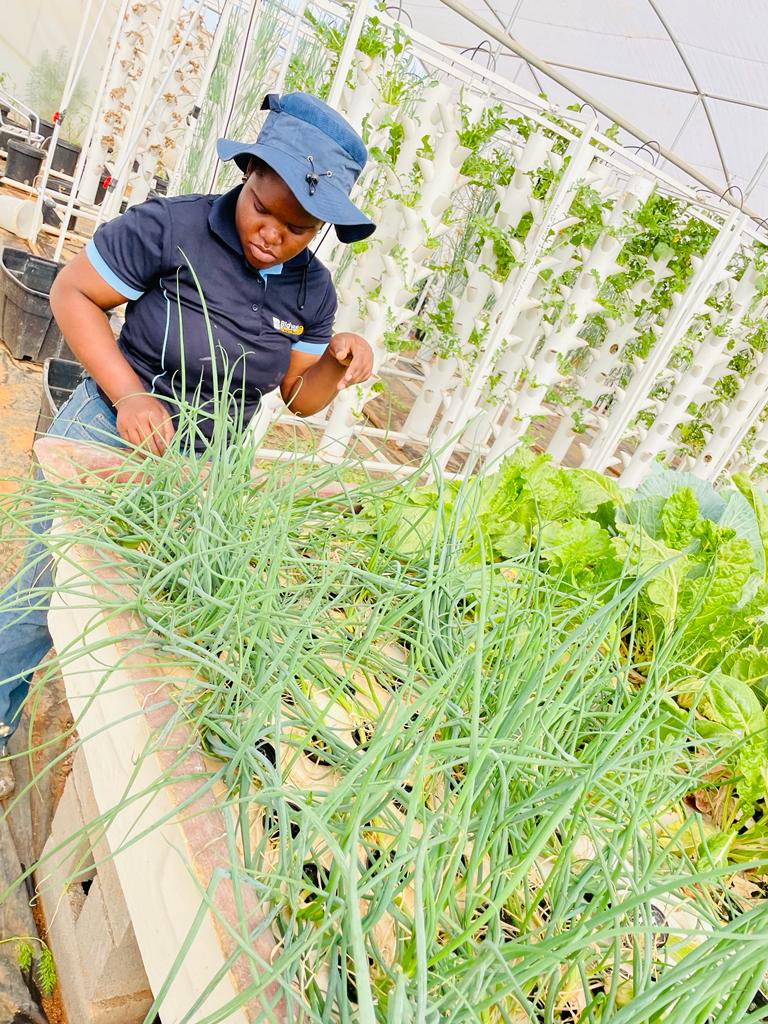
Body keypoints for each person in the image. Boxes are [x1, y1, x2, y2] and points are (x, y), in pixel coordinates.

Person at [0, 92, 376, 796]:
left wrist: (334, 364)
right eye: (264, 209)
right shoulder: (170, 228)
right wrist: (131, 395)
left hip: (208, 467)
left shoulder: (311, 294)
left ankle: (111, 765)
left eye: (297, 229)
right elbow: (72, 297)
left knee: (155, 612)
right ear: (248, 174)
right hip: (112, 426)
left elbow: (297, 396)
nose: (273, 235)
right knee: (50, 583)